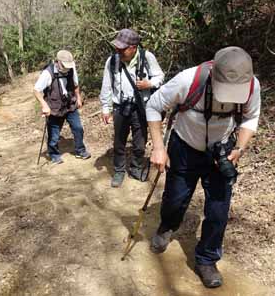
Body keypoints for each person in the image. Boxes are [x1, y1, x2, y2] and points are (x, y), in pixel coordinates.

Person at [145, 46, 261, 288]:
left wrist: (238, 148)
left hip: (222, 152)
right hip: (185, 146)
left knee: (219, 209)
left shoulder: (252, 87)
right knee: (175, 199)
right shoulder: (189, 80)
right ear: (214, 75)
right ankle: (167, 225)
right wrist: (158, 147)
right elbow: (153, 106)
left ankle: (206, 259)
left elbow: (251, 117)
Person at [99, 29, 164, 187]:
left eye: (122, 48)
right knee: (119, 141)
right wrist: (106, 107)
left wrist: (149, 84)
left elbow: (160, 76)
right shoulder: (112, 61)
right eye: (117, 48)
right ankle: (119, 171)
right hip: (120, 106)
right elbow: (107, 85)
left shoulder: (147, 57)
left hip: (141, 106)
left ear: (133, 47)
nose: (118, 51)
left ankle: (136, 168)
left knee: (140, 141)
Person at [33, 50, 91, 164]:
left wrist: (78, 97)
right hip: (54, 108)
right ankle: (54, 154)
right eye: (65, 65)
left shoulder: (71, 69)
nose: (67, 68)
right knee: (54, 135)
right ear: (58, 62)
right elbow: (36, 90)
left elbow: (75, 85)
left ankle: (80, 150)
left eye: (69, 66)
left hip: (69, 105)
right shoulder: (47, 73)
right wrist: (44, 105)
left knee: (78, 128)